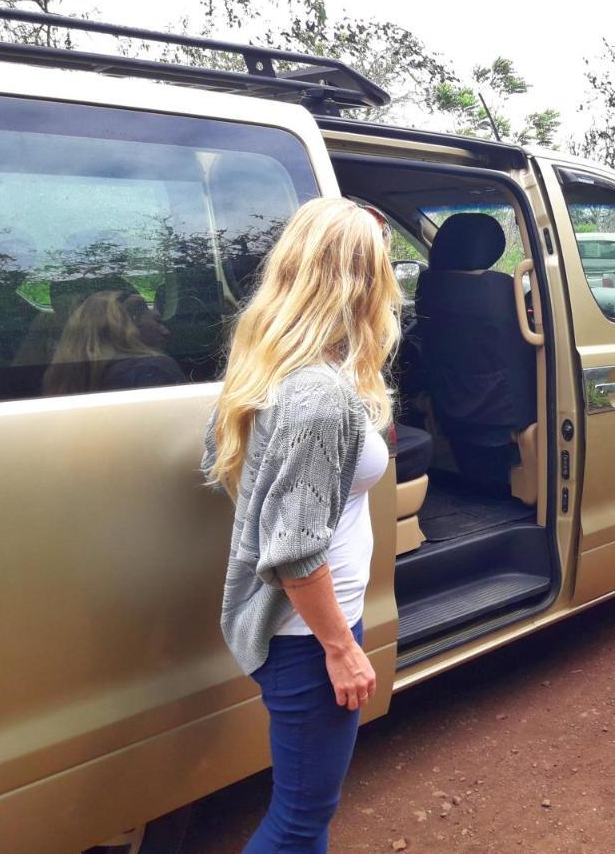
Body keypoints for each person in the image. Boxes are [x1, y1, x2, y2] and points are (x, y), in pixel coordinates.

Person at [201, 197, 402, 852]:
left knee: (301, 814)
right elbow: (293, 553)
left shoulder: (269, 364)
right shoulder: (320, 397)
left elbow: (233, 471)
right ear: (362, 282)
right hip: (310, 635)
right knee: (299, 822)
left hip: (298, 629)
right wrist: (341, 649)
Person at [42, 289, 185, 395]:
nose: (167, 332)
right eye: (158, 322)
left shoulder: (62, 379)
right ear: (130, 326)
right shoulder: (153, 370)